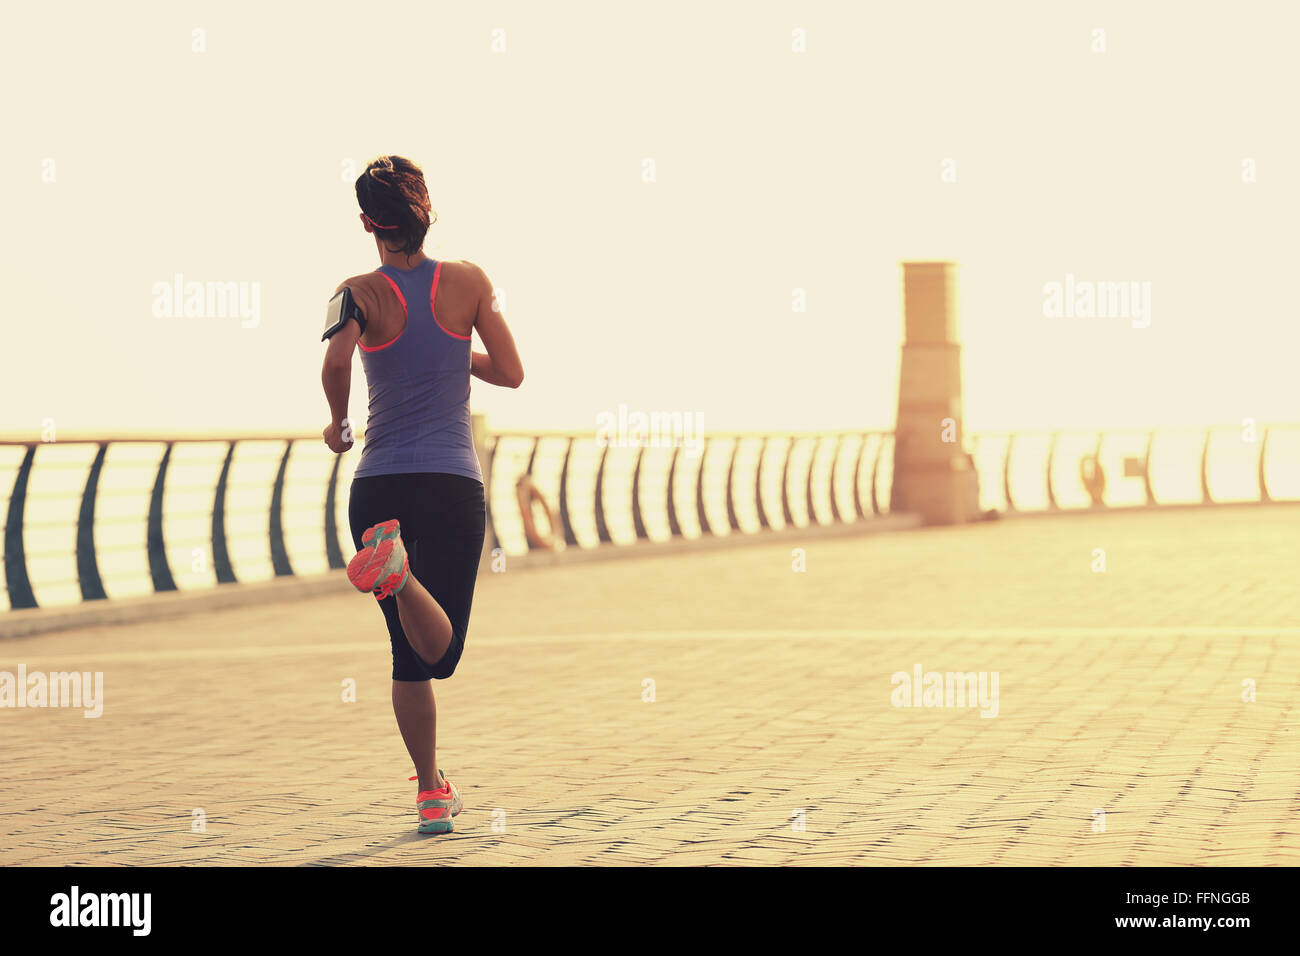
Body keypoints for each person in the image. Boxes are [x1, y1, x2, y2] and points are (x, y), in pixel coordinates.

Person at [320, 155, 524, 834]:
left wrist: (338, 421)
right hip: (450, 485)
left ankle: (432, 791)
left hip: (378, 488)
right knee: (443, 654)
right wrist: (452, 347)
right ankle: (400, 578)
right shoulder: (470, 282)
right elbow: (513, 373)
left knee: (407, 657)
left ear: (366, 224)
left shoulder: (355, 290)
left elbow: (336, 359)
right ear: (425, 209)